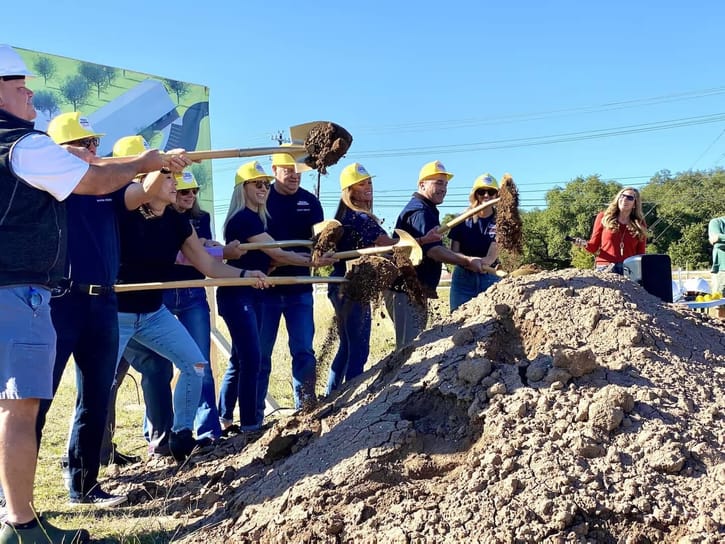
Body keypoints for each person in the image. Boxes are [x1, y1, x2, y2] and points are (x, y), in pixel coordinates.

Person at [0, 44, 180, 544]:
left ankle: (54, 496)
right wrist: (142, 159)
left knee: (70, 399)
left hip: (84, 300)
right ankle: (18, 518)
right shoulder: (29, 151)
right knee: (24, 405)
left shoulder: (53, 168)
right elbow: (99, 175)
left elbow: (129, 188)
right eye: (19, 85)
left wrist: (155, 169)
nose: (30, 91)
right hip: (39, 297)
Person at [37, 112, 175, 509]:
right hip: (60, 300)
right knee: (36, 399)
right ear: (58, 152)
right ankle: (10, 495)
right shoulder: (48, 187)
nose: (93, 149)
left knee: (95, 397)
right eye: (83, 144)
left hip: (103, 303)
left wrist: (162, 163)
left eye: (95, 143)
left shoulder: (109, 187)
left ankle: (84, 486)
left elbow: (142, 192)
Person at [108, 136, 267, 463]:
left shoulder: (177, 221)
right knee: (99, 385)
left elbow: (207, 264)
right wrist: (163, 162)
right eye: (168, 177)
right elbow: (140, 186)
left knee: (194, 364)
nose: (175, 183)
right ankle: (82, 463)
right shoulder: (123, 208)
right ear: (146, 179)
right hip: (115, 312)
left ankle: (181, 435)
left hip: (153, 312)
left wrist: (244, 274)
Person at [218, 161, 321, 432]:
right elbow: (277, 252)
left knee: (246, 358)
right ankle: (248, 423)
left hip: (257, 292)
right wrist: (312, 262)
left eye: (265, 184)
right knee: (252, 359)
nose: (263, 189)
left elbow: (269, 258)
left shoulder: (258, 217)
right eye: (258, 184)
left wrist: (305, 259)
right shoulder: (244, 218)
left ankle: (235, 418)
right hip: (241, 294)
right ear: (243, 188)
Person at [257, 152, 334, 423]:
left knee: (303, 349)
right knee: (260, 352)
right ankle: (252, 416)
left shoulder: (310, 202)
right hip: (266, 286)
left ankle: (305, 408)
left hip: (300, 287)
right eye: (287, 169)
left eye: (298, 169)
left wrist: (322, 253)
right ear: (274, 169)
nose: (294, 174)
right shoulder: (263, 199)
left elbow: (320, 242)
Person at [384, 160, 488, 349]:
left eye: (446, 184)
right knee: (409, 349)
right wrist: (467, 261)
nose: (444, 188)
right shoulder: (420, 212)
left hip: (410, 289)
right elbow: (434, 251)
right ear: (422, 184)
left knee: (411, 346)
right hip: (405, 290)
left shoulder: (427, 209)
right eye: (438, 183)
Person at [325, 163, 395, 395]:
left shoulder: (343, 217)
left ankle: (332, 395)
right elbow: (387, 244)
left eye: (369, 182)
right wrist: (418, 242)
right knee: (359, 349)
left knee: (346, 346)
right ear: (350, 190)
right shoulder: (360, 218)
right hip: (353, 287)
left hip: (338, 285)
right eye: (362, 184)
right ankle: (349, 399)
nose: (368, 187)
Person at [448, 173, 502, 312]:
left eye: (491, 192)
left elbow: (492, 254)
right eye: (481, 192)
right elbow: (454, 252)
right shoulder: (461, 220)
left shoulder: (501, 223)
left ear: (497, 195)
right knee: (458, 319)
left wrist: (482, 263)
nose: (486, 196)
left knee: (492, 323)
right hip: (463, 278)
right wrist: (468, 262)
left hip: (490, 276)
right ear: (475, 194)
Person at [572, 187, 647, 274]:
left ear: (635, 204)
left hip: (629, 269)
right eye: (622, 196)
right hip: (605, 267)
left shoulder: (640, 224)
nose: (624, 199)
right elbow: (593, 246)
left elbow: (641, 254)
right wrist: (584, 244)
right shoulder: (603, 217)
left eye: (629, 198)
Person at [708, 215, 725, 295]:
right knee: (719, 304)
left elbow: (717, 239)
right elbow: (717, 245)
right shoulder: (716, 222)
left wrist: (720, 237)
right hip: (721, 271)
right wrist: (717, 239)